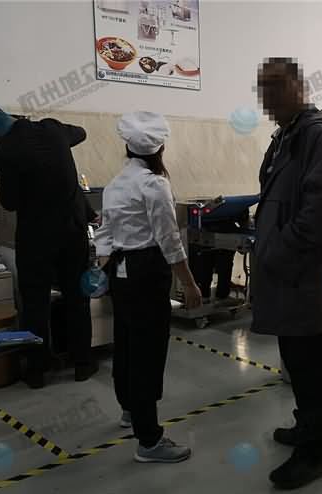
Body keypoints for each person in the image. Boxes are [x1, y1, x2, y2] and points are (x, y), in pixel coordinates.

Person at [252, 57, 322, 489]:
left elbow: (321, 211)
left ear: (299, 87)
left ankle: (315, 451)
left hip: (306, 278)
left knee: (311, 366)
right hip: (289, 277)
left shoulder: (317, 136)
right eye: (263, 90)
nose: (268, 99)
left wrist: (278, 247)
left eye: (276, 88)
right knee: (296, 360)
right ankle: (305, 425)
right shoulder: (288, 135)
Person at [0, 100, 97, 389]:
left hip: (36, 239)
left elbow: (9, 202)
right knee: (77, 298)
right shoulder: (53, 128)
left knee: (36, 304)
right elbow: (81, 132)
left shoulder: (5, 152)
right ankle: (83, 363)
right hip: (72, 233)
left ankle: (37, 370)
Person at [94, 111, 202, 464]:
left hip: (121, 270)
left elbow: (104, 232)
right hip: (146, 270)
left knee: (127, 343)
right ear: (160, 149)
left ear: (127, 147)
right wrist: (189, 283)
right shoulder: (154, 184)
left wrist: (105, 265)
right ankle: (149, 440)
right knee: (148, 352)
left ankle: (130, 409)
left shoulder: (115, 184)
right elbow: (169, 240)